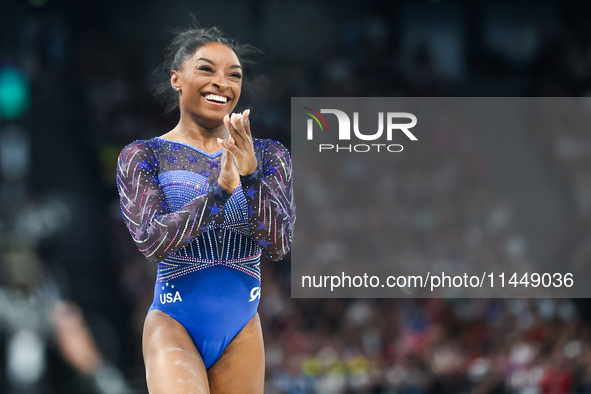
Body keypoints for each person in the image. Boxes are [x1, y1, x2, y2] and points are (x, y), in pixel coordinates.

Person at [116, 27, 295, 393]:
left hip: (242, 327)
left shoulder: (270, 155)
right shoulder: (143, 155)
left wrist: (249, 178)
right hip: (174, 322)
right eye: (207, 69)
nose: (222, 82)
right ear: (176, 78)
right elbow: (152, 243)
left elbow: (278, 245)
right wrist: (219, 192)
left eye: (234, 75)